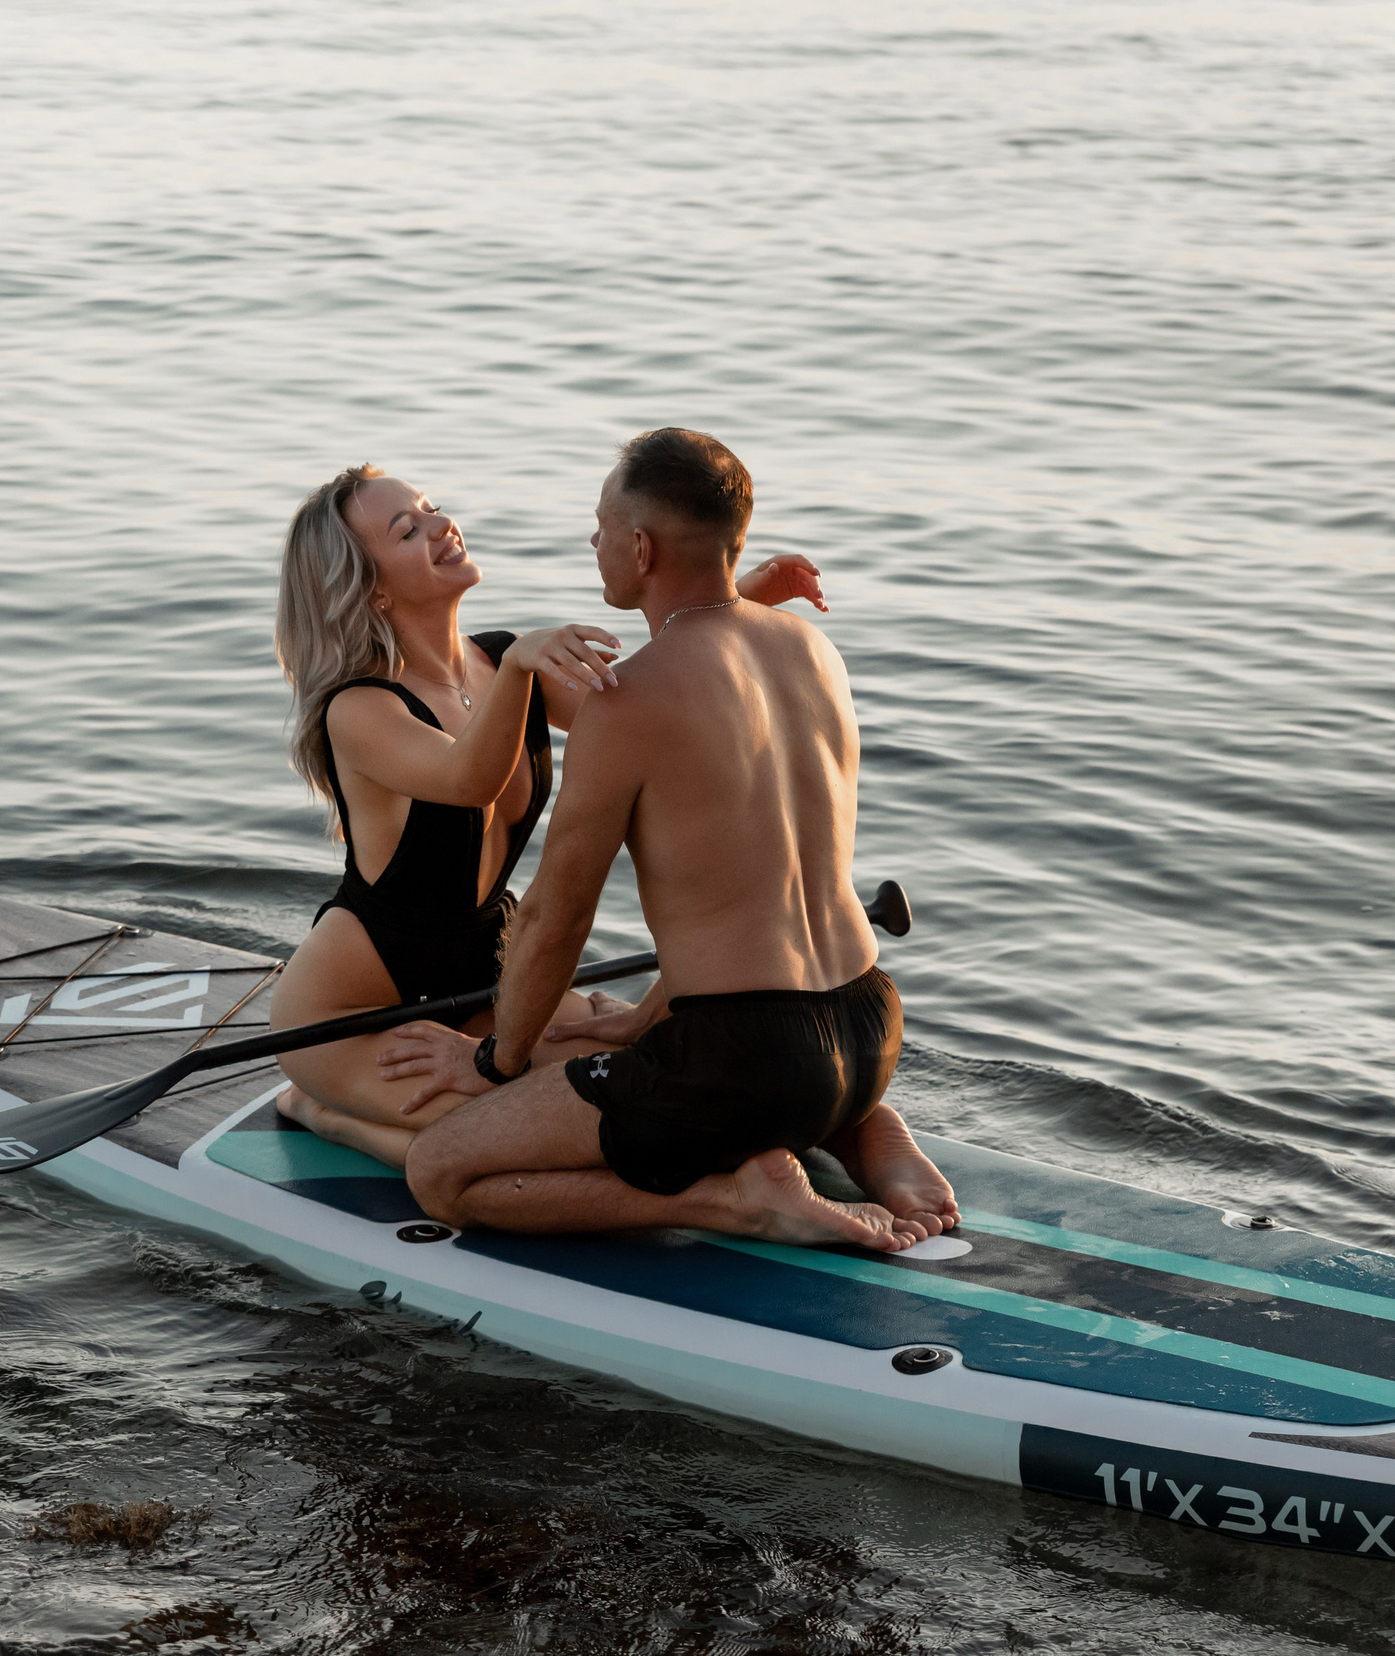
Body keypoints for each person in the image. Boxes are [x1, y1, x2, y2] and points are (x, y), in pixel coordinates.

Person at [381, 430, 960, 1251]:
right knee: (745, 1062)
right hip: (870, 1019)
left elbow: (553, 915)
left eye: (601, 525)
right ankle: (861, 1127)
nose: (594, 542)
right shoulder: (813, 652)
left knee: (442, 1170)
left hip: (749, 1059)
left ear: (641, 548)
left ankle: (733, 1198)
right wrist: (636, 1020)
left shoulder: (629, 702)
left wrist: (494, 1064)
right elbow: (753, 883)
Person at [266, 461, 829, 1166]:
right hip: (348, 1009)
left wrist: (736, 599)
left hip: (482, 973)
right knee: (507, 1137)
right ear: (371, 588)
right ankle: (324, 1108)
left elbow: (648, 700)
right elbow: (468, 776)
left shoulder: (501, 662)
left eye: (433, 507)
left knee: (640, 1073)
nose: (442, 525)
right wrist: (520, 672)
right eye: (409, 529)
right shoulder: (360, 707)